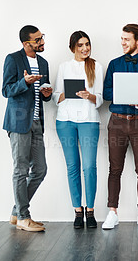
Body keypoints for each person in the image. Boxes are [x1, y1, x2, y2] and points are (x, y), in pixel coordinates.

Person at [102, 24, 138, 230]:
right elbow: (106, 93)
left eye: (127, 39)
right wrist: (124, 93)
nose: (123, 42)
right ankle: (112, 212)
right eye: (122, 38)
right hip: (116, 122)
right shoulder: (114, 64)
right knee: (114, 168)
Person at [2, 25, 53, 232]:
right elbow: (6, 90)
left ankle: (17, 211)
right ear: (26, 43)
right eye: (38, 40)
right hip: (18, 123)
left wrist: (47, 93)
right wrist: (24, 82)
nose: (42, 42)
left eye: (42, 38)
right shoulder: (13, 59)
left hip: (37, 123)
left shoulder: (43, 62)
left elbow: (42, 94)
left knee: (40, 169)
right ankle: (24, 217)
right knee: (20, 170)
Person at [53, 31, 103, 229]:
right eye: (80, 45)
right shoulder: (63, 67)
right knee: (72, 167)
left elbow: (99, 98)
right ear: (72, 47)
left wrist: (88, 95)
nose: (85, 48)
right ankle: (77, 211)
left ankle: (90, 211)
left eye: (87, 44)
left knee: (89, 166)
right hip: (65, 121)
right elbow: (56, 96)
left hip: (89, 120)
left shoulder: (96, 67)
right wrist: (67, 93)